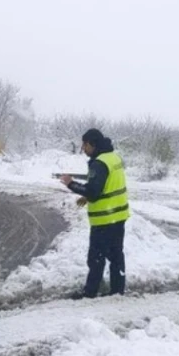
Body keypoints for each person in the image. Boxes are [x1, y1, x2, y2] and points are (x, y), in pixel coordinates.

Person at [60, 128, 129, 299]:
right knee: (116, 256)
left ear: (93, 144)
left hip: (104, 219)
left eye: (85, 144)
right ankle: (117, 291)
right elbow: (107, 186)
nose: (83, 148)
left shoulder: (99, 163)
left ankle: (90, 292)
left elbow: (94, 191)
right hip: (118, 216)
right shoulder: (113, 157)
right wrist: (88, 196)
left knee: (96, 258)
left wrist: (71, 184)